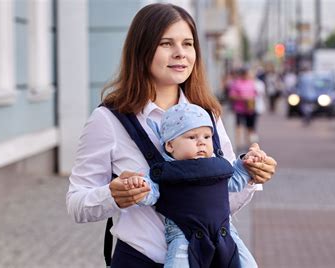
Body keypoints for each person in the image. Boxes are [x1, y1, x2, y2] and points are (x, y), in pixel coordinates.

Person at [66, 3, 277, 267]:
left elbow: (222, 200)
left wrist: (251, 174)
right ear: (142, 50)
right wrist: (113, 196)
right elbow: (76, 203)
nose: (180, 54)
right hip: (139, 259)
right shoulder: (108, 120)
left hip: (209, 260)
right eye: (166, 44)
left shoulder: (208, 115)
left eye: (187, 44)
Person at [132, 102, 263, 268]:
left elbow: (235, 182)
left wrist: (247, 164)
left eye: (207, 137)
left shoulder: (218, 165)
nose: (201, 142)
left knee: (249, 264)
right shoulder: (165, 171)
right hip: (184, 234)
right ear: (170, 145)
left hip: (225, 231)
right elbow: (150, 194)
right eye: (192, 137)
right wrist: (138, 187)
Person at [229, 67, 258, 148]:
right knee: (239, 126)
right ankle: (238, 143)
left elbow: (255, 93)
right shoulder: (236, 83)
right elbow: (232, 95)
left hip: (250, 109)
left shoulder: (251, 82)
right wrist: (242, 98)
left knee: (250, 127)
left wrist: (251, 99)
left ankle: (250, 143)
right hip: (240, 109)